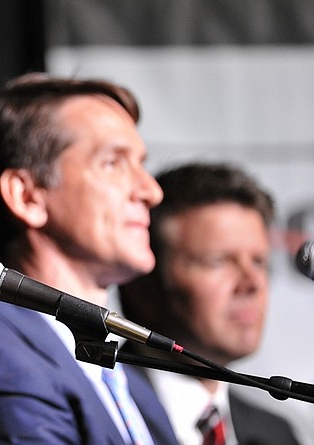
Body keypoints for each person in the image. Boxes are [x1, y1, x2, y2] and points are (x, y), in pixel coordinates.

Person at [0, 72, 179, 444]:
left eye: (142, 164)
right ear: (27, 197)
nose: (151, 191)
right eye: (113, 163)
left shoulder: (134, 387)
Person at [119, 162, 300, 445]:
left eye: (259, 261)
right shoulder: (99, 409)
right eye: (219, 261)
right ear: (143, 286)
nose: (252, 283)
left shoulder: (275, 433)